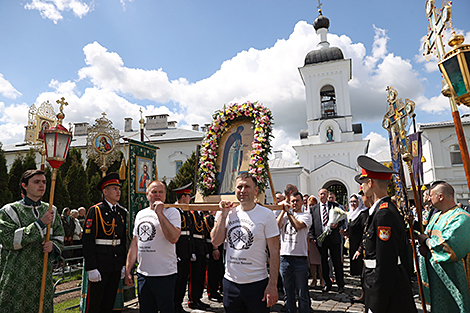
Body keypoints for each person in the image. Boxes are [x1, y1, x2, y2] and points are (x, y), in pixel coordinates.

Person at [211, 172, 280, 313]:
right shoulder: (226, 213)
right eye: (239, 187)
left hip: (257, 283)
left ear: (256, 191)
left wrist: (272, 285)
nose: (243, 191)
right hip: (231, 283)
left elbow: (274, 251)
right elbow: (216, 241)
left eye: (247, 187)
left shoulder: (266, 215)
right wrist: (223, 214)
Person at [357, 155, 416, 313]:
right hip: (376, 280)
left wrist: (376, 303)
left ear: (370, 182)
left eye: (363, 181)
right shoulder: (380, 210)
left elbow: (385, 262)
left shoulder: (384, 214)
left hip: (384, 286)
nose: (362, 186)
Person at [0, 169, 65, 313]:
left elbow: (60, 237)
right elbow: (9, 240)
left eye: (44, 182)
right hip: (17, 274)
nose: (42, 185)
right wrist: (40, 224)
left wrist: (53, 246)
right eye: (36, 182)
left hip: (42, 274)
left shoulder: (51, 210)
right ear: (24, 185)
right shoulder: (9, 211)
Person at [125, 180, 181, 313]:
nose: (157, 195)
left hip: (165, 274)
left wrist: (160, 213)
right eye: (154, 192)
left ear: (165, 195)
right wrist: (128, 269)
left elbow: (173, 238)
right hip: (144, 274)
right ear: (147, 194)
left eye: (161, 192)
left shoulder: (172, 212)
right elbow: (135, 243)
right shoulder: (140, 214)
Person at [417, 182, 470, 312]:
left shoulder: (461, 218)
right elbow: (426, 235)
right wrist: (423, 247)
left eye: (431, 195)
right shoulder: (436, 216)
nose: (428, 198)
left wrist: (427, 242)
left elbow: (449, 246)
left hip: (455, 278)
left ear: (441, 197)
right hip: (437, 279)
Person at [82, 172, 127, 313]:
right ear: (105, 191)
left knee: (109, 302)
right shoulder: (96, 211)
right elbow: (88, 241)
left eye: (119, 189)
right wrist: (91, 267)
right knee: (95, 303)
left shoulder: (121, 212)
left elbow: (122, 241)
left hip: (115, 264)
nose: (118, 191)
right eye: (114, 189)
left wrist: (124, 264)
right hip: (100, 264)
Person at [277, 191, 312, 313]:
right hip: (285, 257)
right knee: (288, 291)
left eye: (297, 201)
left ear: (302, 202)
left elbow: (297, 225)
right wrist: (282, 212)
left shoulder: (306, 215)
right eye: (292, 201)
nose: (295, 203)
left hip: (299, 258)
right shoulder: (285, 215)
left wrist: (289, 213)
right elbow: (276, 227)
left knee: (302, 292)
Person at [308, 188, 345, 293]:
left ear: (327, 195)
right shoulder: (314, 209)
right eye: (321, 194)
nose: (323, 196)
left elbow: (342, 219)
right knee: (323, 263)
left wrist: (337, 224)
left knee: (337, 262)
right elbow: (312, 225)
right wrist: (312, 237)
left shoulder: (335, 206)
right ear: (318, 195)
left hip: (333, 238)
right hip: (321, 239)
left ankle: (340, 284)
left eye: (324, 194)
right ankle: (327, 283)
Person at [173, 183, 194, 313]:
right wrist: (175, 253)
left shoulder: (186, 212)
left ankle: (178, 304)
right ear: (182, 196)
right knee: (177, 281)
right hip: (178, 253)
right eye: (188, 196)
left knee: (182, 281)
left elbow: (189, 234)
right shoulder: (174, 211)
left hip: (186, 252)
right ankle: (173, 304)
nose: (190, 198)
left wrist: (191, 251)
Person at [346, 189, 369, 303]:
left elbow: (364, 233)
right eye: (351, 202)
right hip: (353, 246)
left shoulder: (363, 214)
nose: (353, 204)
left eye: (355, 201)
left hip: (361, 247)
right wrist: (346, 232)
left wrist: (360, 248)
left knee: (364, 272)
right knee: (361, 273)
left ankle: (366, 296)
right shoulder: (352, 213)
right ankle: (364, 295)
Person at [188, 206, 210, 310]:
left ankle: (198, 298)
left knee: (200, 276)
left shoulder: (200, 215)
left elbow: (203, 235)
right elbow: (191, 234)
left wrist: (206, 251)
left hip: (201, 249)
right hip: (195, 249)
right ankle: (192, 299)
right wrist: (192, 251)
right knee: (194, 277)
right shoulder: (192, 214)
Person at [219, 126, 246, 194]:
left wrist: (241, 147)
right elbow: (229, 148)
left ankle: (232, 188)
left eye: (241, 130)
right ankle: (226, 188)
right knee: (229, 173)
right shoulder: (232, 136)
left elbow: (239, 147)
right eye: (239, 130)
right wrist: (234, 149)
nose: (239, 131)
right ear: (237, 129)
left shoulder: (239, 136)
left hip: (236, 159)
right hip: (230, 159)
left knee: (235, 173)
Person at [204, 210, 224, 303]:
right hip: (210, 248)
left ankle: (217, 290)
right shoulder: (208, 219)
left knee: (219, 270)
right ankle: (211, 292)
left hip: (221, 247)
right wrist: (214, 249)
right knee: (212, 272)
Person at [306, 196, 323, 289]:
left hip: (319, 239)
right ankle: (314, 279)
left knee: (320, 262)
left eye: (313, 204)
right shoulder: (306, 213)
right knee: (312, 262)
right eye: (310, 205)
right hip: (311, 240)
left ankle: (321, 279)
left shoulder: (318, 212)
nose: (311, 206)